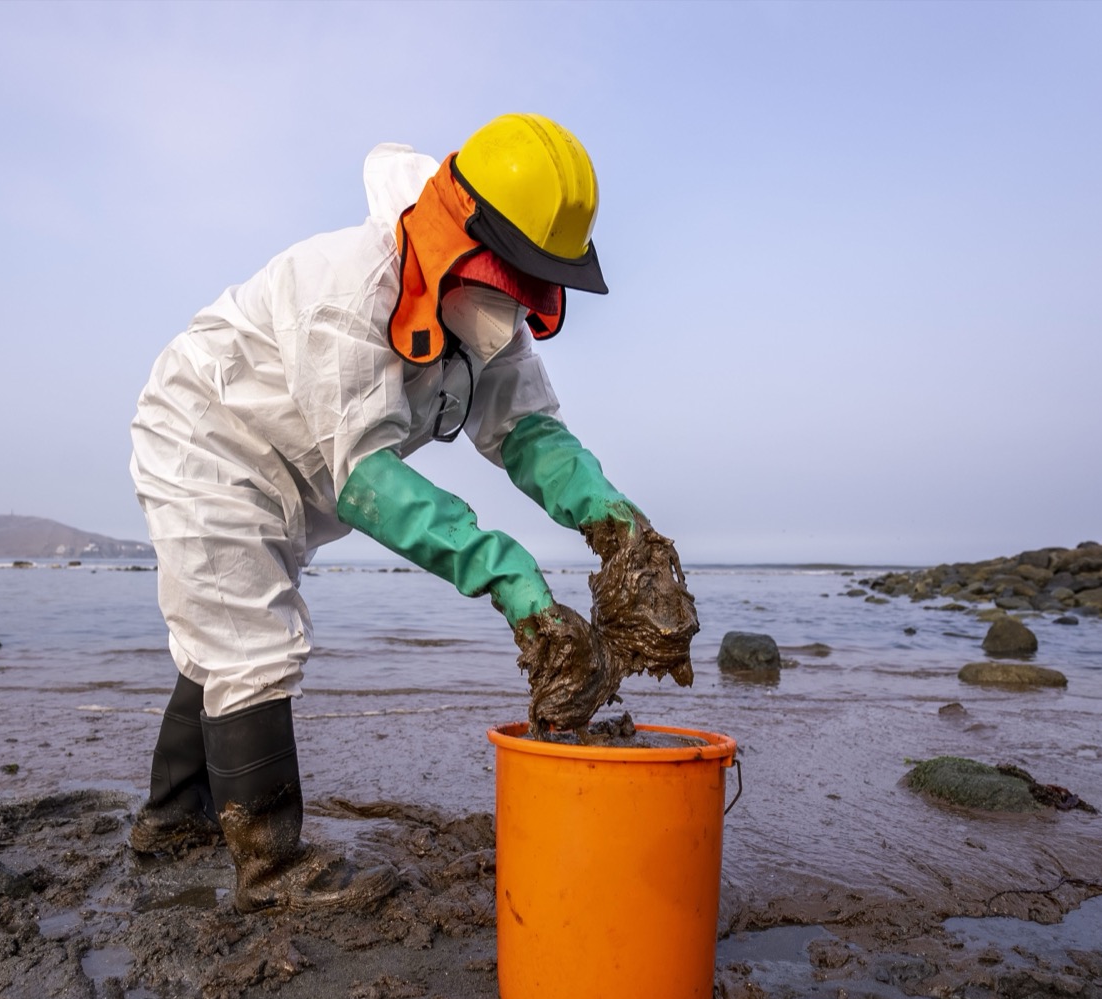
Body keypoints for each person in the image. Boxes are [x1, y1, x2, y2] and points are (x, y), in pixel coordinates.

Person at [128, 114, 696, 913]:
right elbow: (366, 479)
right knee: (250, 642)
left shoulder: (483, 311)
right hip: (213, 440)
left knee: (222, 635)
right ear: (462, 233)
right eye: (515, 271)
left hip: (298, 469)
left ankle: (168, 824)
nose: (522, 298)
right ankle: (268, 869)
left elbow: (528, 434)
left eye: (537, 278)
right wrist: (511, 579)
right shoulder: (348, 288)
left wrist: (617, 525)